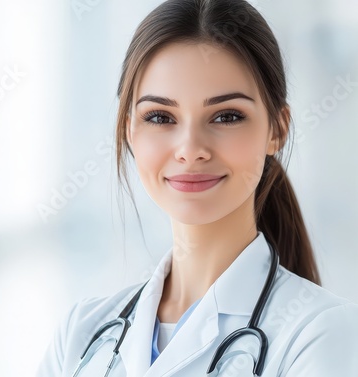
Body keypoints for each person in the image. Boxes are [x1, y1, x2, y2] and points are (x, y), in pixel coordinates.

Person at [36, 0, 358, 375]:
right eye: (160, 117)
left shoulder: (322, 335)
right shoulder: (81, 335)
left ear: (277, 130)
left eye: (226, 116)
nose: (190, 150)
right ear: (129, 131)